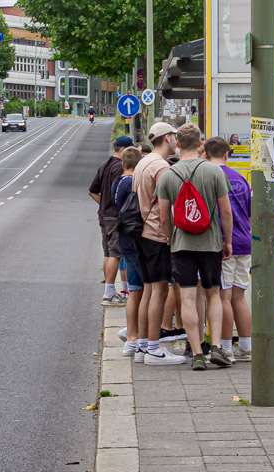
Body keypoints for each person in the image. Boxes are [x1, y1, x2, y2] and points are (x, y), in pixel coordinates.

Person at [156, 123, 233, 370]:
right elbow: (226, 211)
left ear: (177, 144)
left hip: (182, 244)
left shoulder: (168, 174)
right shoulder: (214, 172)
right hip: (210, 242)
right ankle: (218, 347)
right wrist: (227, 240)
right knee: (213, 294)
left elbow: (164, 216)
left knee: (188, 297)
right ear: (200, 144)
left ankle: (197, 352)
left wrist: (170, 238)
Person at [132, 121, 183, 364]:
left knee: (149, 289)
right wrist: (170, 235)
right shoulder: (162, 167)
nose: (176, 140)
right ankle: (154, 347)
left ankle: (142, 345)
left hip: (142, 231)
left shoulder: (144, 161)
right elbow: (166, 208)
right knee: (160, 290)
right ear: (166, 138)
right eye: (174, 136)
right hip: (157, 233)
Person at [205, 137, 254, 360]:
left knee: (222, 297)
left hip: (225, 245)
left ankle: (225, 347)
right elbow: (250, 211)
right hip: (244, 241)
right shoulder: (242, 179)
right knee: (239, 296)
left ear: (205, 155)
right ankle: (246, 345)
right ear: (227, 155)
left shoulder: (208, 177)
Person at [90, 135, 132, 304]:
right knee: (115, 253)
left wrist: (104, 204)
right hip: (115, 216)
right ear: (122, 150)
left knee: (108, 252)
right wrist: (116, 205)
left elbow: (92, 191)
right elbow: (120, 192)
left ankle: (108, 289)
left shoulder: (104, 166)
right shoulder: (119, 169)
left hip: (103, 214)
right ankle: (108, 291)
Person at [113, 145, 145, 359]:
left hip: (125, 240)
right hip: (136, 241)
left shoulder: (117, 182)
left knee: (134, 290)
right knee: (146, 290)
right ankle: (140, 337)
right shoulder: (133, 183)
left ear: (123, 164)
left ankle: (131, 336)